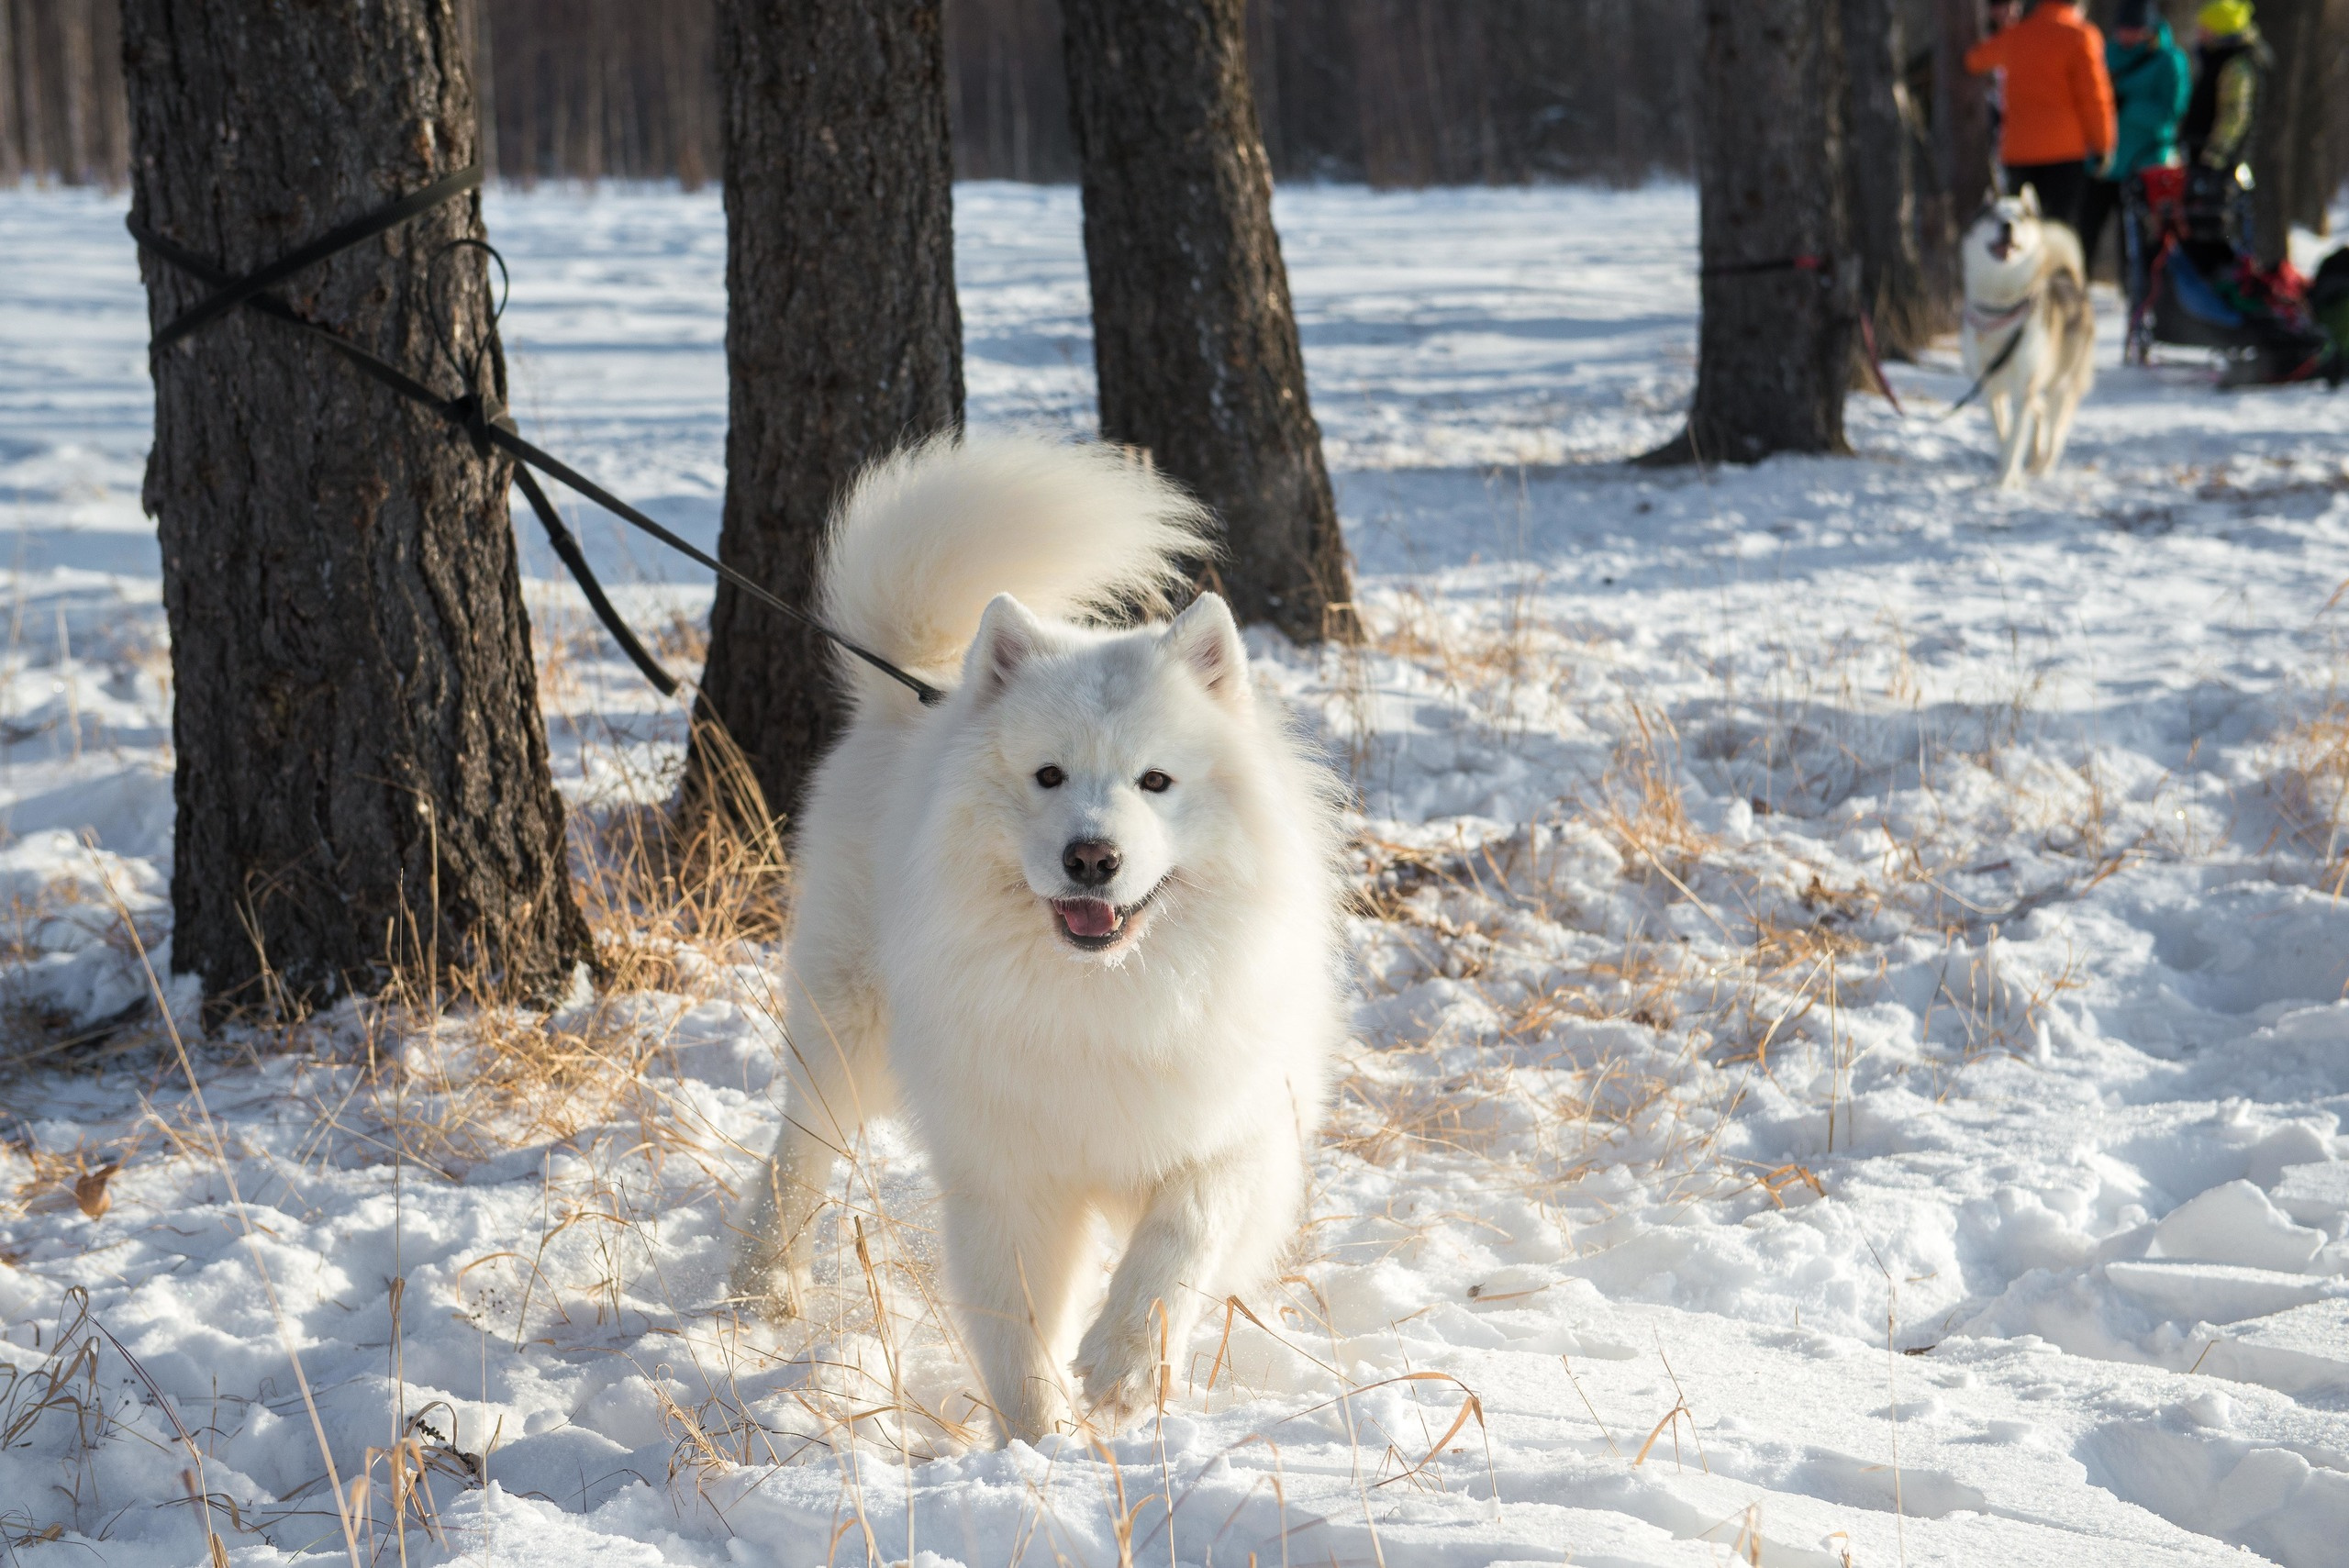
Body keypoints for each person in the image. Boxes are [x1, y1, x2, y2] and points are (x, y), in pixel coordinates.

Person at [1965, 0, 2117, 232]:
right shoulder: (2081, 35)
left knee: (2022, 231)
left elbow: (1975, 60)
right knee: (2058, 231)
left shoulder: (2017, 34)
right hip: (2065, 152)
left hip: (2018, 152)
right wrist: (2103, 144)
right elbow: (2094, 98)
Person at [2076, 0, 2189, 278]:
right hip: (2103, 164)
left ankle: (2139, 298)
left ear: (2148, 29)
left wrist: (2126, 106)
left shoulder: (2169, 60)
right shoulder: (2106, 53)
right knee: (2084, 235)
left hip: (2145, 166)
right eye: (2122, 29)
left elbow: (2171, 113)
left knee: (2136, 244)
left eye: (2133, 29)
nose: (2126, 36)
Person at [2180, 0, 2271, 248]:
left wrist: (2214, 155)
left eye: (2205, 29)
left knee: (2214, 229)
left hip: (2219, 166)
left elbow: (2235, 114)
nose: (2200, 34)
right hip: (2205, 160)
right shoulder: (2217, 58)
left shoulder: (2236, 64)